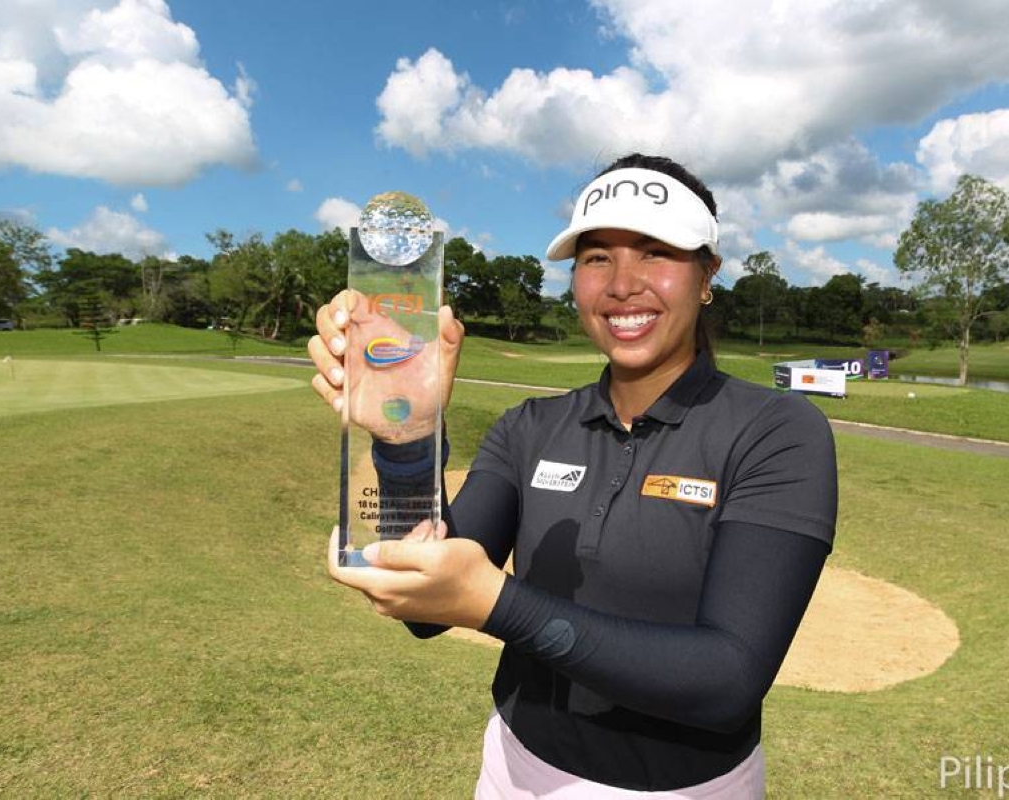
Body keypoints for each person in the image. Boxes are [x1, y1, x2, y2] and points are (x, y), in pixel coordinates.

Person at [308, 154, 837, 797]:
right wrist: (405, 436)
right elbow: (426, 609)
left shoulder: (776, 431)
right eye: (596, 258)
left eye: (655, 253)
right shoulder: (529, 427)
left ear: (707, 277)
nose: (622, 284)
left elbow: (727, 680)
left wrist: (500, 605)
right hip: (515, 771)